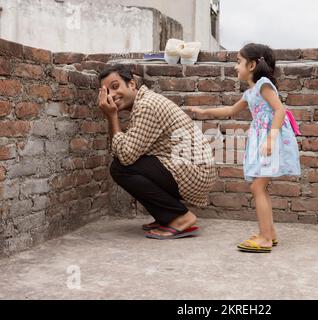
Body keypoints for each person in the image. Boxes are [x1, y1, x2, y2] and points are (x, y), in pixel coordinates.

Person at [189, 43, 301, 253]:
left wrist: (270, 139)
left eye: (238, 62)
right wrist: (205, 112)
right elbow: (231, 110)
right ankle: (270, 233)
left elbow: (280, 110)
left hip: (270, 139)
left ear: (251, 65)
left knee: (257, 187)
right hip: (262, 138)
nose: (235, 67)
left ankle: (265, 238)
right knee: (260, 186)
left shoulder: (264, 85)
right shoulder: (251, 92)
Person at [97, 64, 217, 240]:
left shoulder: (146, 106)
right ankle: (166, 217)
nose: (112, 95)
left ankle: (181, 218)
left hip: (195, 173)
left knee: (120, 167)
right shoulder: (144, 102)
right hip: (188, 168)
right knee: (129, 163)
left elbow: (124, 155)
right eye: (106, 92)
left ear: (131, 84)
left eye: (115, 87)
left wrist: (111, 116)